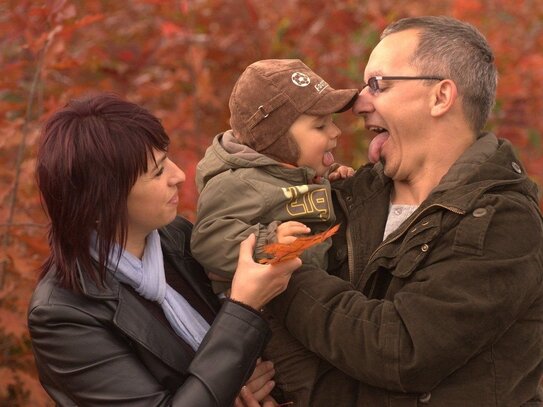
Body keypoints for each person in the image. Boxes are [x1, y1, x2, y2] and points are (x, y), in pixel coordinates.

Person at [266, 16, 543, 406]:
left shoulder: (501, 221)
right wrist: (244, 370)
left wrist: (281, 271)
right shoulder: (342, 193)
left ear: (440, 97)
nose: (358, 102)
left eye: (378, 84)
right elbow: (239, 269)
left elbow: (401, 350)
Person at [27, 93, 301, 407]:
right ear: (102, 201)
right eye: (157, 172)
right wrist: (243, 307)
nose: (178, 176)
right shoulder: (63, 316)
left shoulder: (176, 238)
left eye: (165, 158)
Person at [190, 59, 358, 404]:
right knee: (314, 388)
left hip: (310, 298)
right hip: (272, 316)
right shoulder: (237, 183)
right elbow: (208, 238)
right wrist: (268, 244)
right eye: (320, 126)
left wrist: (332, 185)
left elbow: (301, 200)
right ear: (276, 138)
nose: (335, 133)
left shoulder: (292, 170)